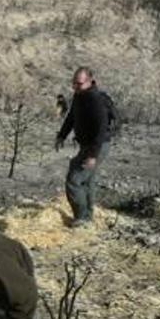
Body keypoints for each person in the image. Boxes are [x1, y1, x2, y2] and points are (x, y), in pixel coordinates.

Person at [55, 67, 111, 227]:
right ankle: (87, 217)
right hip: (87, 145)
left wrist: (93, 155)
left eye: (79, 84)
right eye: (73, 83)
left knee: (74, 180)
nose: (75, 87)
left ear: (90, 81)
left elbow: (101, 130)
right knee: (88, 180)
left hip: (97, 145)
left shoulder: (95, 100)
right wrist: (62, 135)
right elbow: (72, 116)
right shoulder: (80, 95)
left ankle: (82, 218)